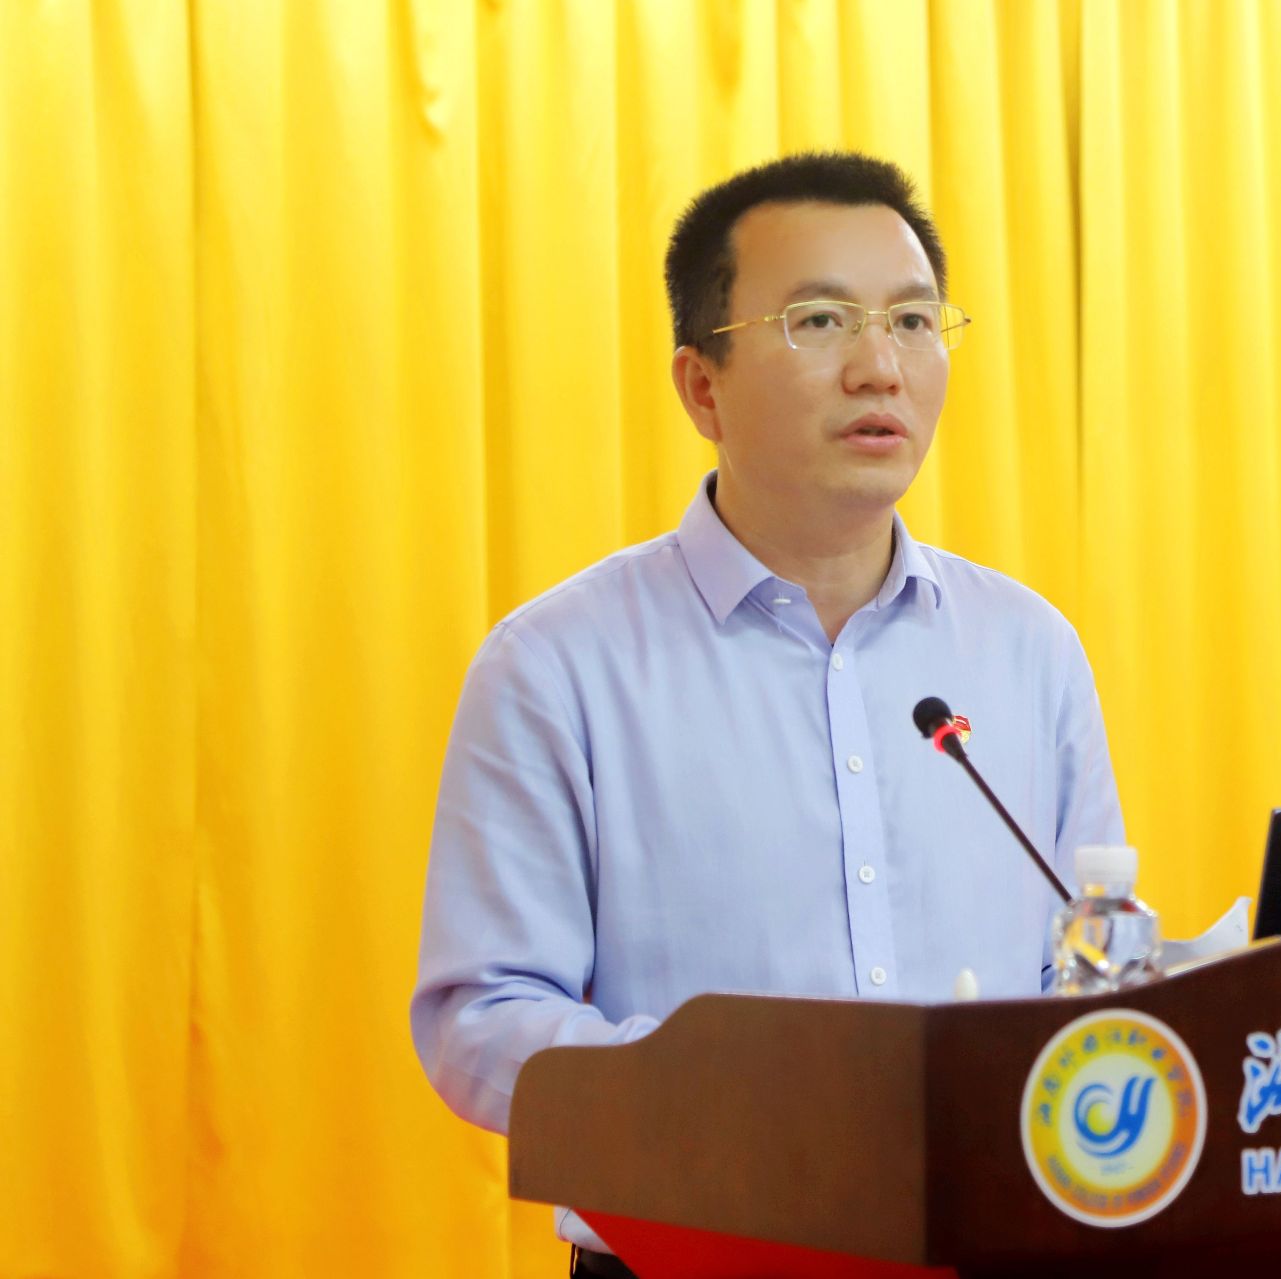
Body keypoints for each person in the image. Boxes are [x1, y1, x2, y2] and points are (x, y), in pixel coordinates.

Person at [409, 152, 1124, 1273]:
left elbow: (1085, 968)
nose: (880, 367)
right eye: (821, 321)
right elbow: (478, 1017)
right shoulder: (558, 664)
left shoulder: (1027, 650)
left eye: (913, 321)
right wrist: (739, 1100)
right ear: (702, 387)